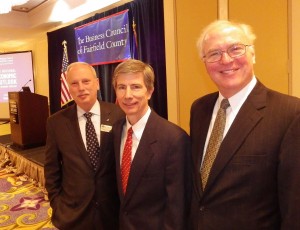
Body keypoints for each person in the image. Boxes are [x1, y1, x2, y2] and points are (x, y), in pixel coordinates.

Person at [189, 20, 300, 229]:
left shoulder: (290, 114)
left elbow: (294, 206)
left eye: (236, 49)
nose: (226, 59)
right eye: (213, 54)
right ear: (204, 63)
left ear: (253, 54)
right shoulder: (199, 109)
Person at [112, 59, 191, 229]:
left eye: (135, 86)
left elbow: (177, 206)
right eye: (121, 87)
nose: (127, 95)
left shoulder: (174, 139)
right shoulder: (117, 130)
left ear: (149, 91)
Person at [44, 62, 125, 230]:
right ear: (69, 88)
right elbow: (52, 169)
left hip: (112, 212)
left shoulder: (119, 114)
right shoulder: (56, 122)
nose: (81, 88)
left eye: (86, 81)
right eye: (74, 83)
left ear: (97, 83)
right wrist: (57, 205)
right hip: (73, 213)